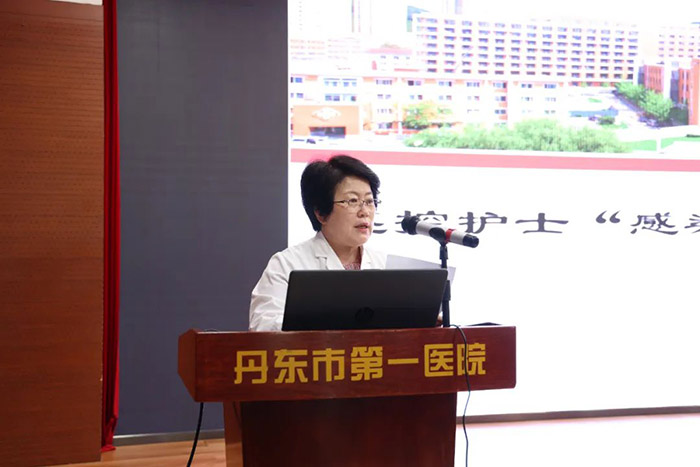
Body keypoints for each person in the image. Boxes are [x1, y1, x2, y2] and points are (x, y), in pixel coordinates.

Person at [249, 155, 386, 331]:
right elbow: (263, 327)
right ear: (321, 213)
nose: (364, 211)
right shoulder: (287, 264)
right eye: (352, 201)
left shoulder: (384, 263)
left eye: (369, 201)